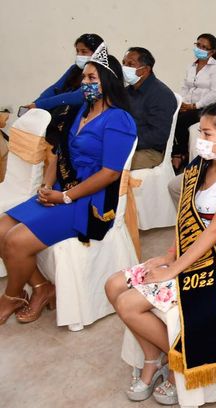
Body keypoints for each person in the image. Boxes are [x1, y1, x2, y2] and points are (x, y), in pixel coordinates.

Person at [105, 103, 216, 405]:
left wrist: (173, 270)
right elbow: (187, 222)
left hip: (212, 265)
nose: (200, 140)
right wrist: (168, 256)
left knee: (128, 303)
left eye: (207, 134)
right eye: (200, 132)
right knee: (113, 285)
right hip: (187, 254)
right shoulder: (201, 167)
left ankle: (178, 363)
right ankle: (154, 359)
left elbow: (213, 233)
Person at [1, 44, 137, 325]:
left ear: (107, 82)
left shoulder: (119, 120)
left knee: (15, 240)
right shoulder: (80, 112)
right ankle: (42, 288)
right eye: (84, 77)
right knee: (1, 227)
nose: (85, 83)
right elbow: (59, 154)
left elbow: (110, 174)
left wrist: (65, 197)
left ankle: (11, 297)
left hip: (90, 200)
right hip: (63, 189)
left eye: (91, 78)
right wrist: (47, 185)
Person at [172, 34, 216, 172]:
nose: (200, 49)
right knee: (171, 115)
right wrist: (182, 104)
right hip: (189, 105)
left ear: (212, 51)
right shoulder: (191, 66)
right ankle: (174, 153)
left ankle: (181, 154)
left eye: (204, 47)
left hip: (208, 109)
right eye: (198, 45)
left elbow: (215, 93)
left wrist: (194, 106)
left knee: (182, 120)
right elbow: (185, 87)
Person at [122, 47, 178, 170]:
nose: (125, 67)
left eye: (130, 64)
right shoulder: (127, 91)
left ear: (146, 69)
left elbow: (158, 135)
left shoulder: (161, 95)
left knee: (112, 164)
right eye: (124, 63)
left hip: (149, 152)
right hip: (126, 144)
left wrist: (127, 142)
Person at [28, 33, 104, 112]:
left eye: (84, 52)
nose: (79, 55)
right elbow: (55, 88)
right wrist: (35, 104)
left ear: (97, 52)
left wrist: (41, 105)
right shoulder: (74, 69)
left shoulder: (104, 73)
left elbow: (81, 96)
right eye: (77, 51)